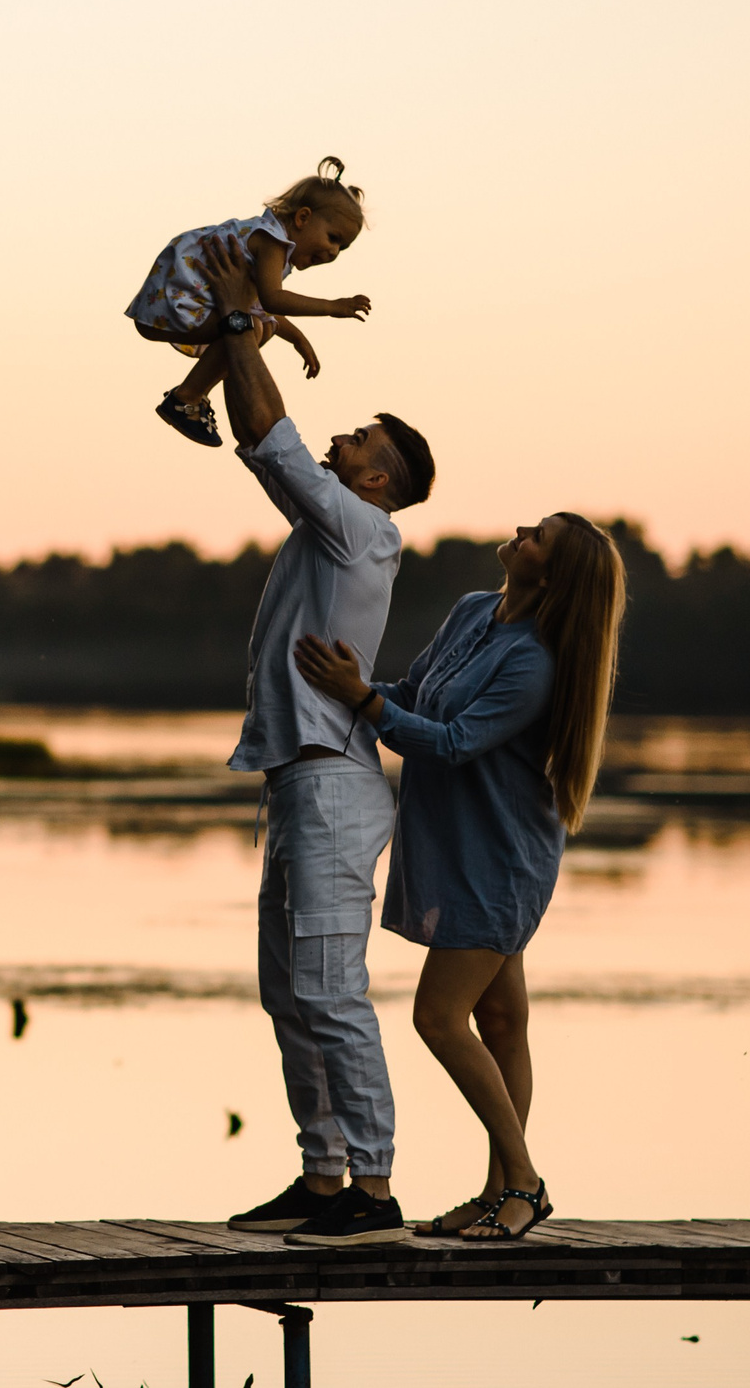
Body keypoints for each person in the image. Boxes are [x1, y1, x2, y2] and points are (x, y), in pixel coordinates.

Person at [189, 242, 437, 1251]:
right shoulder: (327, 527)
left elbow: (271, 439)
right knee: (286, 989)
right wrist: (236, 318)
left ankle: (372, 1191)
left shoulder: (361, 530)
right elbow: (269, 443)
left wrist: (242, 319)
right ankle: (321, 1170)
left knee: (330, 991)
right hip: (302, 785)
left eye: (358, 434)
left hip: (333, 789)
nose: (341, 434)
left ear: (376, 474)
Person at [290, 512, 628, 1244]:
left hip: (499, 861)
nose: (521, 529)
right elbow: (413, 691)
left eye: (538, 534)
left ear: (552, 573)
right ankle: (496, 1189)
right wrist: (348, 685)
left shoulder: (535, 662)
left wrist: (360, 699)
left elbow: (450, 744)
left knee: (439, 1018)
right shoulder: (475, 609)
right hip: (457, 846)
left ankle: (525, 1182)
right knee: (501, 1022)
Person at [125, 158, 375, 447]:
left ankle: (191, 395)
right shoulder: (271, 242)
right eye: (333, 238)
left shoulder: (268, 238)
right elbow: (273, 299)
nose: (333, 251)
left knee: (259, 326)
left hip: (167, 305)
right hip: (177, 304)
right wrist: (333, 307)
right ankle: (187, 397)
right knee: (251, 328)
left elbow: (260, 305)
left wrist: (297, 338)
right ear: (303, 218)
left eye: (342, 247)